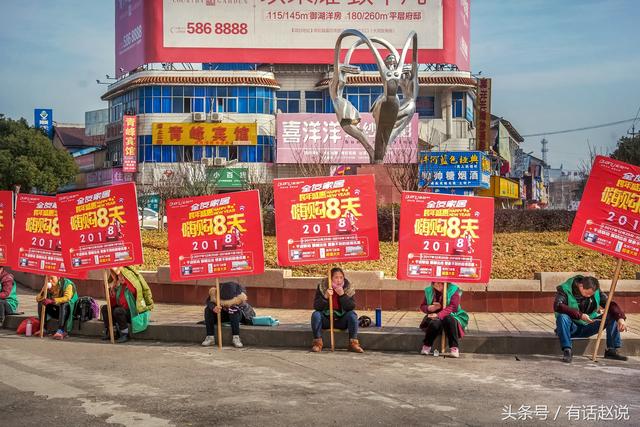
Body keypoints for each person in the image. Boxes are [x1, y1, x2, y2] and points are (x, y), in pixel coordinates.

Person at [554, 275, 627, 363]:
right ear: (580, 286)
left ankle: (611, 350)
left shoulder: (595, 291)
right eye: (587, 293)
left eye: (591, 294)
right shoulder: (564, 289)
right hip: (571, 328)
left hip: (589, 325)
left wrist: (620, 318)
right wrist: (580, 315)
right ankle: (567, 350)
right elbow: (558, 306)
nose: (589, 296)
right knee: (562, 317)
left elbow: (610, 304)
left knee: (612, 314)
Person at [310, 267, 363, 353]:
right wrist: (325, 297)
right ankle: (317, 343)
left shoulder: (347, 287)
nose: (339, 280)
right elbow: (317, 306)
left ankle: (353, 343)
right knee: (316, 315)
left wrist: (342, 295)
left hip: (341, 320)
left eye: (341, 277)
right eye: (336, 277)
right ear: (330, 278)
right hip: (327, 319)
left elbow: (351, 307)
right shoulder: (323, 286)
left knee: (352, 315)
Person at [102, 266, 154, 343]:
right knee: (105, 308)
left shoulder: (131, 287)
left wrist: (117, 269)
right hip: (121, 313)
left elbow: (130, 283)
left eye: (123, 277)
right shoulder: (119, 287)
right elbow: (113, 304)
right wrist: (112, 292)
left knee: (118, 311)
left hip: (132, 313)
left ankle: (125, 334)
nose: (121, 278)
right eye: (119, 277)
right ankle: (112, 331)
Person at [419, 281, 469, 358]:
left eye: (441, 283)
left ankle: (454, 348)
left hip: (452, 314)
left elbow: (453, 306)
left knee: (449, 320)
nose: (438, 285)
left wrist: (439, 314)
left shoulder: (453, 289)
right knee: (435, 323)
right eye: (436, 283)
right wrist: (430, 308)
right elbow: (423, 306)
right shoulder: (429, 290)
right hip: (434, 315)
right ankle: (427, 345)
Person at [202, 281, 255, 348]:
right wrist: (214, 308)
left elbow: (245, 309)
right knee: (208, 310)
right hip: (222, 315)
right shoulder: (216, 292)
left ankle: (236, 337)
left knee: (233, 310)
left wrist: (230, 307)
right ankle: (210, 337)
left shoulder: (239, 296)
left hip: (237, 316)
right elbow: (209, 302)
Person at [36, 275, 78, 339]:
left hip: (67, 311)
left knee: (64, 304)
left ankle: (61, 330)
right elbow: (38, 299)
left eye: (52, 278)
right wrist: (43, 291)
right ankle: (43, 328)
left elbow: (67, 298)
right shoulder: (48, 285)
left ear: (58, 277)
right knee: (41, 303)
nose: (50, 280)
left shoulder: (67, 284)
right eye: (48, 279)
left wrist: (53, 301)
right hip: (56, 311)